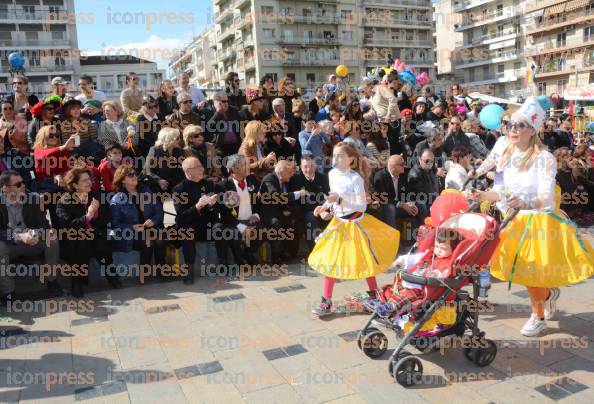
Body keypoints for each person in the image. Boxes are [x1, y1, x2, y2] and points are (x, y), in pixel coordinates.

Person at [471, 96, 594, 337]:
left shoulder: (544, 159)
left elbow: (546, 197)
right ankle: (547, 295)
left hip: (538, 220)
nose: (512, 130)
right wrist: (484, 194)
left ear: (532, 131)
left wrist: (525, 202)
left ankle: (537, 315)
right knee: (525, 271)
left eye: (520, 125)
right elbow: (503, 193)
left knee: (532, 270)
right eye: (510, 125)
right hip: (514, 220)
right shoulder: (506, 156)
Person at [308, 142, 400, 316]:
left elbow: (361, 206)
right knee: (331, 261)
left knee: (365, 261)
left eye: (340, 156)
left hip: (355, 225)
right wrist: (324, 206)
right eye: (334, 155)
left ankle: (374, 296)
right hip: (338, 224)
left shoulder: (355, 179)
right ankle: (326, 301)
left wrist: (340, 201)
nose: (335, 159)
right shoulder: (332, 174)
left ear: (350, 159)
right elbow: (332, 196)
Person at [56, 167, 120, 297]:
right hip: (74, 238)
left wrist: (95, 215)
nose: (89, 182)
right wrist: (88, 216)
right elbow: (68, 227)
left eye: (89, 179)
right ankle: (77, 282)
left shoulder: (96, 196)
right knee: (80, 246)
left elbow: (105, 219)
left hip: (95, 234)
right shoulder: (64, 201)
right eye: (84, 180)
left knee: (103, 243)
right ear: (74, 184)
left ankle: (111, 274)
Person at [0, 170, 63, 301]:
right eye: (18, 184)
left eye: (23, 182)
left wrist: (35, 234)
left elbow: (44, 225)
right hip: (11, 244)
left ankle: (52, 281)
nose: (23, 185)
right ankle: (8, 292)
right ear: (5, 188)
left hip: (33, 241)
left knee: (51, 237)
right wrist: (19, 236)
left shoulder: (33, 198)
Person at [372, 229, 462, 317]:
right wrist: (400, 261)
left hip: (421, 289)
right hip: (409, 283)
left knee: (405, 296)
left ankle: (389, 307)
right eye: (437, 246)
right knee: (388, 290)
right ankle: (377, 301)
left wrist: (436, 275)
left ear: (453, 250)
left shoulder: (448, 264)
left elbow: (445, 274)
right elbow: (413, 258)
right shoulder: (429, 255)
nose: (438, 250)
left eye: (443, 248)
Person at [109, 165, 165, 275]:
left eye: (135, 174)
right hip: (130, 235)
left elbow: (159, 211)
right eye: (130, 175)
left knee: (160, 239)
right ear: (123, 180)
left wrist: (153, 220)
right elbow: (115, 225)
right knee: (148, 240)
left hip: (150, 229)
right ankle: (144, 271)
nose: (134, 176)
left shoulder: (146, 191)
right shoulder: (117, 200)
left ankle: (161, 270)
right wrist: (132, 227)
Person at [173, 157, 220, 284]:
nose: (202, 169)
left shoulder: (208, 184)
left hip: (206, 224)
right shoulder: (179, 189)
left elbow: (215, 212)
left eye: (201, 165)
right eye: (198, 167)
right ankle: (189, 270)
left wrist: (212, 205)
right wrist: (198, 206)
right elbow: (181, 217)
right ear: (189, 171)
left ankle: (224, 265)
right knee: (188, 232)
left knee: (220, 228)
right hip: (188, 225)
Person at [259, 160, 307, 263]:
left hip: (278, 212)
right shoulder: (269, 179)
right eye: (289, 173)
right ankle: (275, 256)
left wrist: (286, 210)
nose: (291, 175)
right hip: (267, 214)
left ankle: (288, 252)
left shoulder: (284, 182)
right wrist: (297, 194)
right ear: (281, 172)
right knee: (276, 224)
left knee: (292, 220)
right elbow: (277, 197)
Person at [218, 154, 263, 265]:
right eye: (244, 165)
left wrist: (255, 215)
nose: (248, 167)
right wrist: (242, 227)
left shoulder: (252, 180)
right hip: (234, 222)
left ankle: (248, 254)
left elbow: (258, 202)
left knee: (264, 230)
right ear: (234, 169)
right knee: (235, 234)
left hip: (251, 219)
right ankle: (239, 260)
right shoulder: (223, 186)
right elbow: (225, 213)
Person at [373, 154, 425, 230]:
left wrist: (411, 202)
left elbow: (410, 191)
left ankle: (423, 233)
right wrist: (401, 204)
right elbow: (382, 198)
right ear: (393, 166)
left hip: (404, 205)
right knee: (390, 208)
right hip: (389, 207)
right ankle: (393, 237)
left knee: (421, 204)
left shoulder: (403, 174)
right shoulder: (380, 177)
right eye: (402, 164)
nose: (404, 166)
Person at [293, 153, 330, 251]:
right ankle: (315, 250)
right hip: (306, 210)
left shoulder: (323, 178)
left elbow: (327, 196)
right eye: (305, 167)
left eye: (312, 166)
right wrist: (319, 211)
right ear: (300, 167)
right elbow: (300, 201)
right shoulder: (296, 179)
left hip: (324, 208)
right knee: (311, 218)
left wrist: (323, 208)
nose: (309, 169)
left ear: (316, 166)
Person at [59, 97, 102, 161]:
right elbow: (66, 143)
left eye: (78, 108)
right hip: (74, 150)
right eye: (73, 109)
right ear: (68, 111)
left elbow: (94, 139)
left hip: (89, 149)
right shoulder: (64, 125)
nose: (76, 111)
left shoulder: (87, 121)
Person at [370, 73, 403, 155]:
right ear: (388, 82)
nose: (396, 85)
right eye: (394, 83)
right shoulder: (382, 90)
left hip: (393, 119)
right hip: (385, 119)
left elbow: (392, 103)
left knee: (393, 140)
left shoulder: (392, 91)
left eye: (397, 83)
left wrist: (388, 115)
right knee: (387, 139)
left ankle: (393, 158)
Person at [145, 127, 185, 192]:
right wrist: (158, 180)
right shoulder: (154, 150)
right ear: (169, 139)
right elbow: (147, 171)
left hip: (176, 187)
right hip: (158, 187)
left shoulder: (180, 151)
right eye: (177, 138)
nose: (180, 140)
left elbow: (182, 171)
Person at [207, 92, 242, 159]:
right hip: (221, 147)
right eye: (223, 101)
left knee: (238, 166)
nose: (226, 103)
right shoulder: (209, 112)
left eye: (227, 101)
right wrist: (218, 112)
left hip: (236, 145)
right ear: (216, 102)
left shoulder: (233, 110)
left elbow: (241, 125)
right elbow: (209, 128)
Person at [408, 148, 440, 213]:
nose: (430, 163)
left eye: (432, 161)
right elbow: (425, 193)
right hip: (420, 201)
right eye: (427, 161)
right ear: (420, 159)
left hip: (431, 199)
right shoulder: (415, 174)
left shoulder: (431, 170)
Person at [136, 95, 162, 160]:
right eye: (150, 107)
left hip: (160, 147)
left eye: (155, 106)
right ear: (144, 108)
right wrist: (155, 146)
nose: (154, 109)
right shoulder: (140, 119)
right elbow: (141, 138)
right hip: (146, 150)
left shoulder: (160, 116)